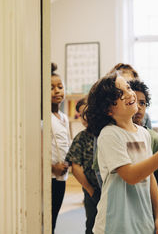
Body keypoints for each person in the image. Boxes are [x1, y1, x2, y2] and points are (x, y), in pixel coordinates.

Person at [85, 73, 158, 234]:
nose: (129, 94)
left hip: (143, 220)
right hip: (116, 223)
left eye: (128, 88)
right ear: (107, 109)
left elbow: (149, 176)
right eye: (119, 94)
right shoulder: (109, 135)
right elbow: (130, 175)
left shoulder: (143, 133)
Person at [65, 97, 100, 234]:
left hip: (112, 190)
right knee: (92, 224)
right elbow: (76, 167)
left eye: (87, 113)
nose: (84, 118)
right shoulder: (81, 137)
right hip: (91, 190)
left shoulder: (109, 133)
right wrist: (91, 190)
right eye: (81, 115)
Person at [129, 79, 158, 191]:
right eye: (134, 101)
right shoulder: (112, 134)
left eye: (142, 103)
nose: (139, 107)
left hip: (147, 194)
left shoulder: (153, 138)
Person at [50, 63, 71, 234]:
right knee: (47, 217)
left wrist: (67, 164)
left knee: (54, 215)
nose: (57, 91)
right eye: (51, 88)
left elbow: (67, 143)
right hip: (49, 175)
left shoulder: (64, 117)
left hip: (62, 176)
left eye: (60, 86)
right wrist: (52, 167)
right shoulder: (43, 118)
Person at [107, 63, 152, 129]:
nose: (129, 94)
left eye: (129, 87)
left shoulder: (145, 117)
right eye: (121, 89)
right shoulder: (109, 120)